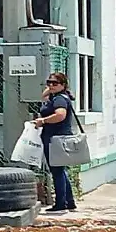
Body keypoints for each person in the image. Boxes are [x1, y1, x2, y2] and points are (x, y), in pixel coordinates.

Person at [32, 72, 78, 213]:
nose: (51, 85)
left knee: (56, 171)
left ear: (63, 85)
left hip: (56, 138)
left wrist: (43, 121)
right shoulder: (56, 96)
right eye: (49, 82)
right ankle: (69, 201)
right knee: (60, 170)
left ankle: (60, 203)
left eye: (54, 83)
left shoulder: (59, 100)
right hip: (55, 137)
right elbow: (44, 96)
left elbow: (60, 115)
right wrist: (52, 87)